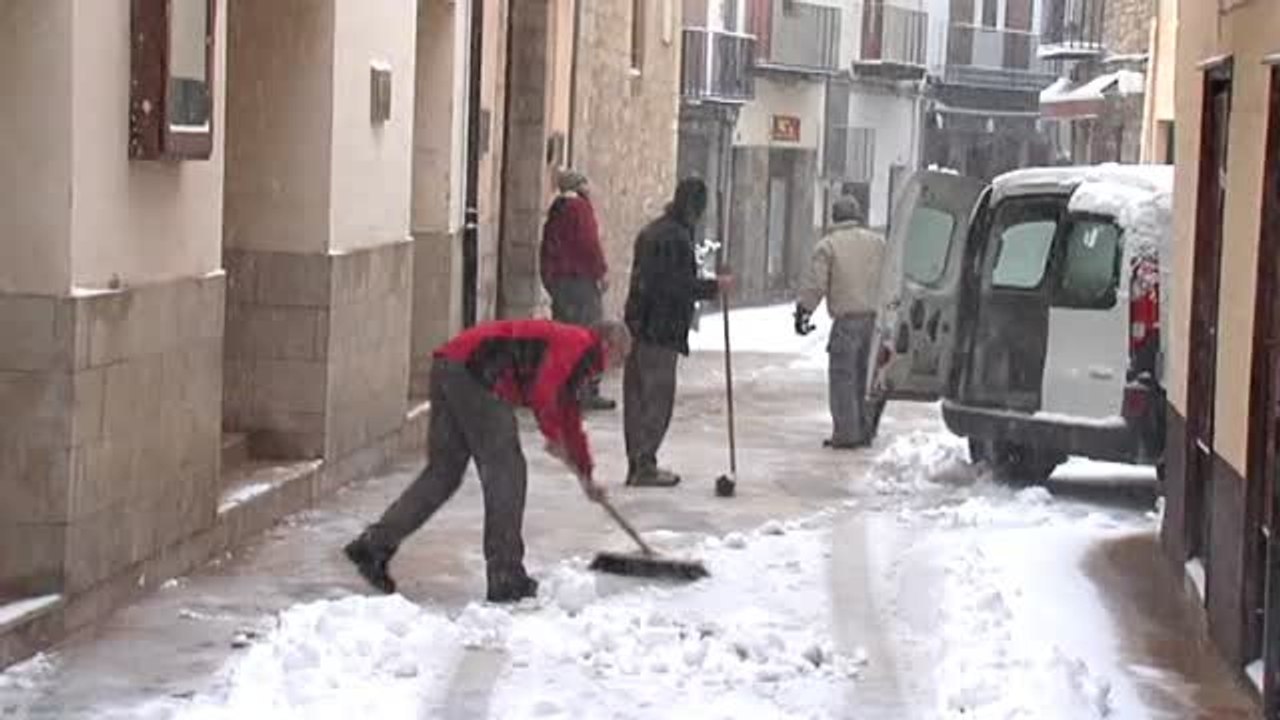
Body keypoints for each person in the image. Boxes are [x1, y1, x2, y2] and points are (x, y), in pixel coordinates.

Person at [344, 319, 631, 603]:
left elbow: (568, 414)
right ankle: (506, 576)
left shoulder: (580, 362)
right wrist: (552, 435)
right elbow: (545, 391)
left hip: (451, 366)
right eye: (621, 357)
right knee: (507, 472)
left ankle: (374, 545)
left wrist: (586, 473)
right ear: (608, 344)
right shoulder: (577, 343)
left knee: (444, 473)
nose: (617, 366)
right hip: (476, 373)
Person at [622, 177, 733, 487]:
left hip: (640, 325)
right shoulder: (676, 239)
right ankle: (644, 464)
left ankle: (637, 460)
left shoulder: (652, 232)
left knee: (637, 397)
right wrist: (714, 287)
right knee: (657, 399)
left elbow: (651, 281)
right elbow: (676, 286)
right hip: (662, 328)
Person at [795, 195, 886, 450]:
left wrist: (804, 311)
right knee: (868, 379)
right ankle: (866, 429)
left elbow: (816, 284)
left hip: (847, 323)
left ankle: (847, 433)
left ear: (834, 217)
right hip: (875, 322)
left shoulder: (828, 246)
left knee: (843, 377)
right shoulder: (878, 243)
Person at [541, 169, 615, 411]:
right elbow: (588, 243)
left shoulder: (557, 209)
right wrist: (601, 272)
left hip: (561, 282)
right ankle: (585, 390)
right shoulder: (579, 209)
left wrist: (551, 282)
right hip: (579, 282)